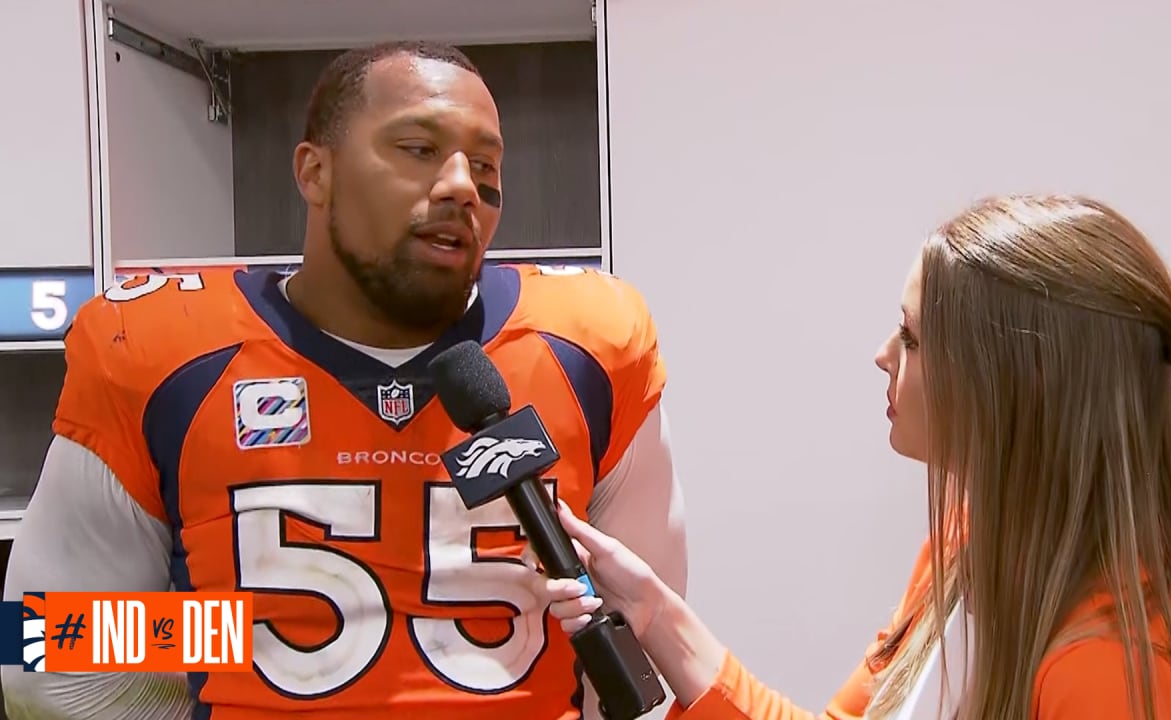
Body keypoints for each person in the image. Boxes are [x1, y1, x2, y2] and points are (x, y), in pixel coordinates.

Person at [2, 41, 687, 720]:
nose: (461, 185)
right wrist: (252, 629)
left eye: (485, 164)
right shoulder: (158, 353)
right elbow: (59, 656)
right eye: (417, 149)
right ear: (314, 172)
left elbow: (643, 640)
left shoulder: (587, 346)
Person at [537, 194, 1171, 720]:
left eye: (913, 337)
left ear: (1022, 380)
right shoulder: (967, 544)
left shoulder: (1112, 665)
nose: (882, 356)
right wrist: (652, 610)